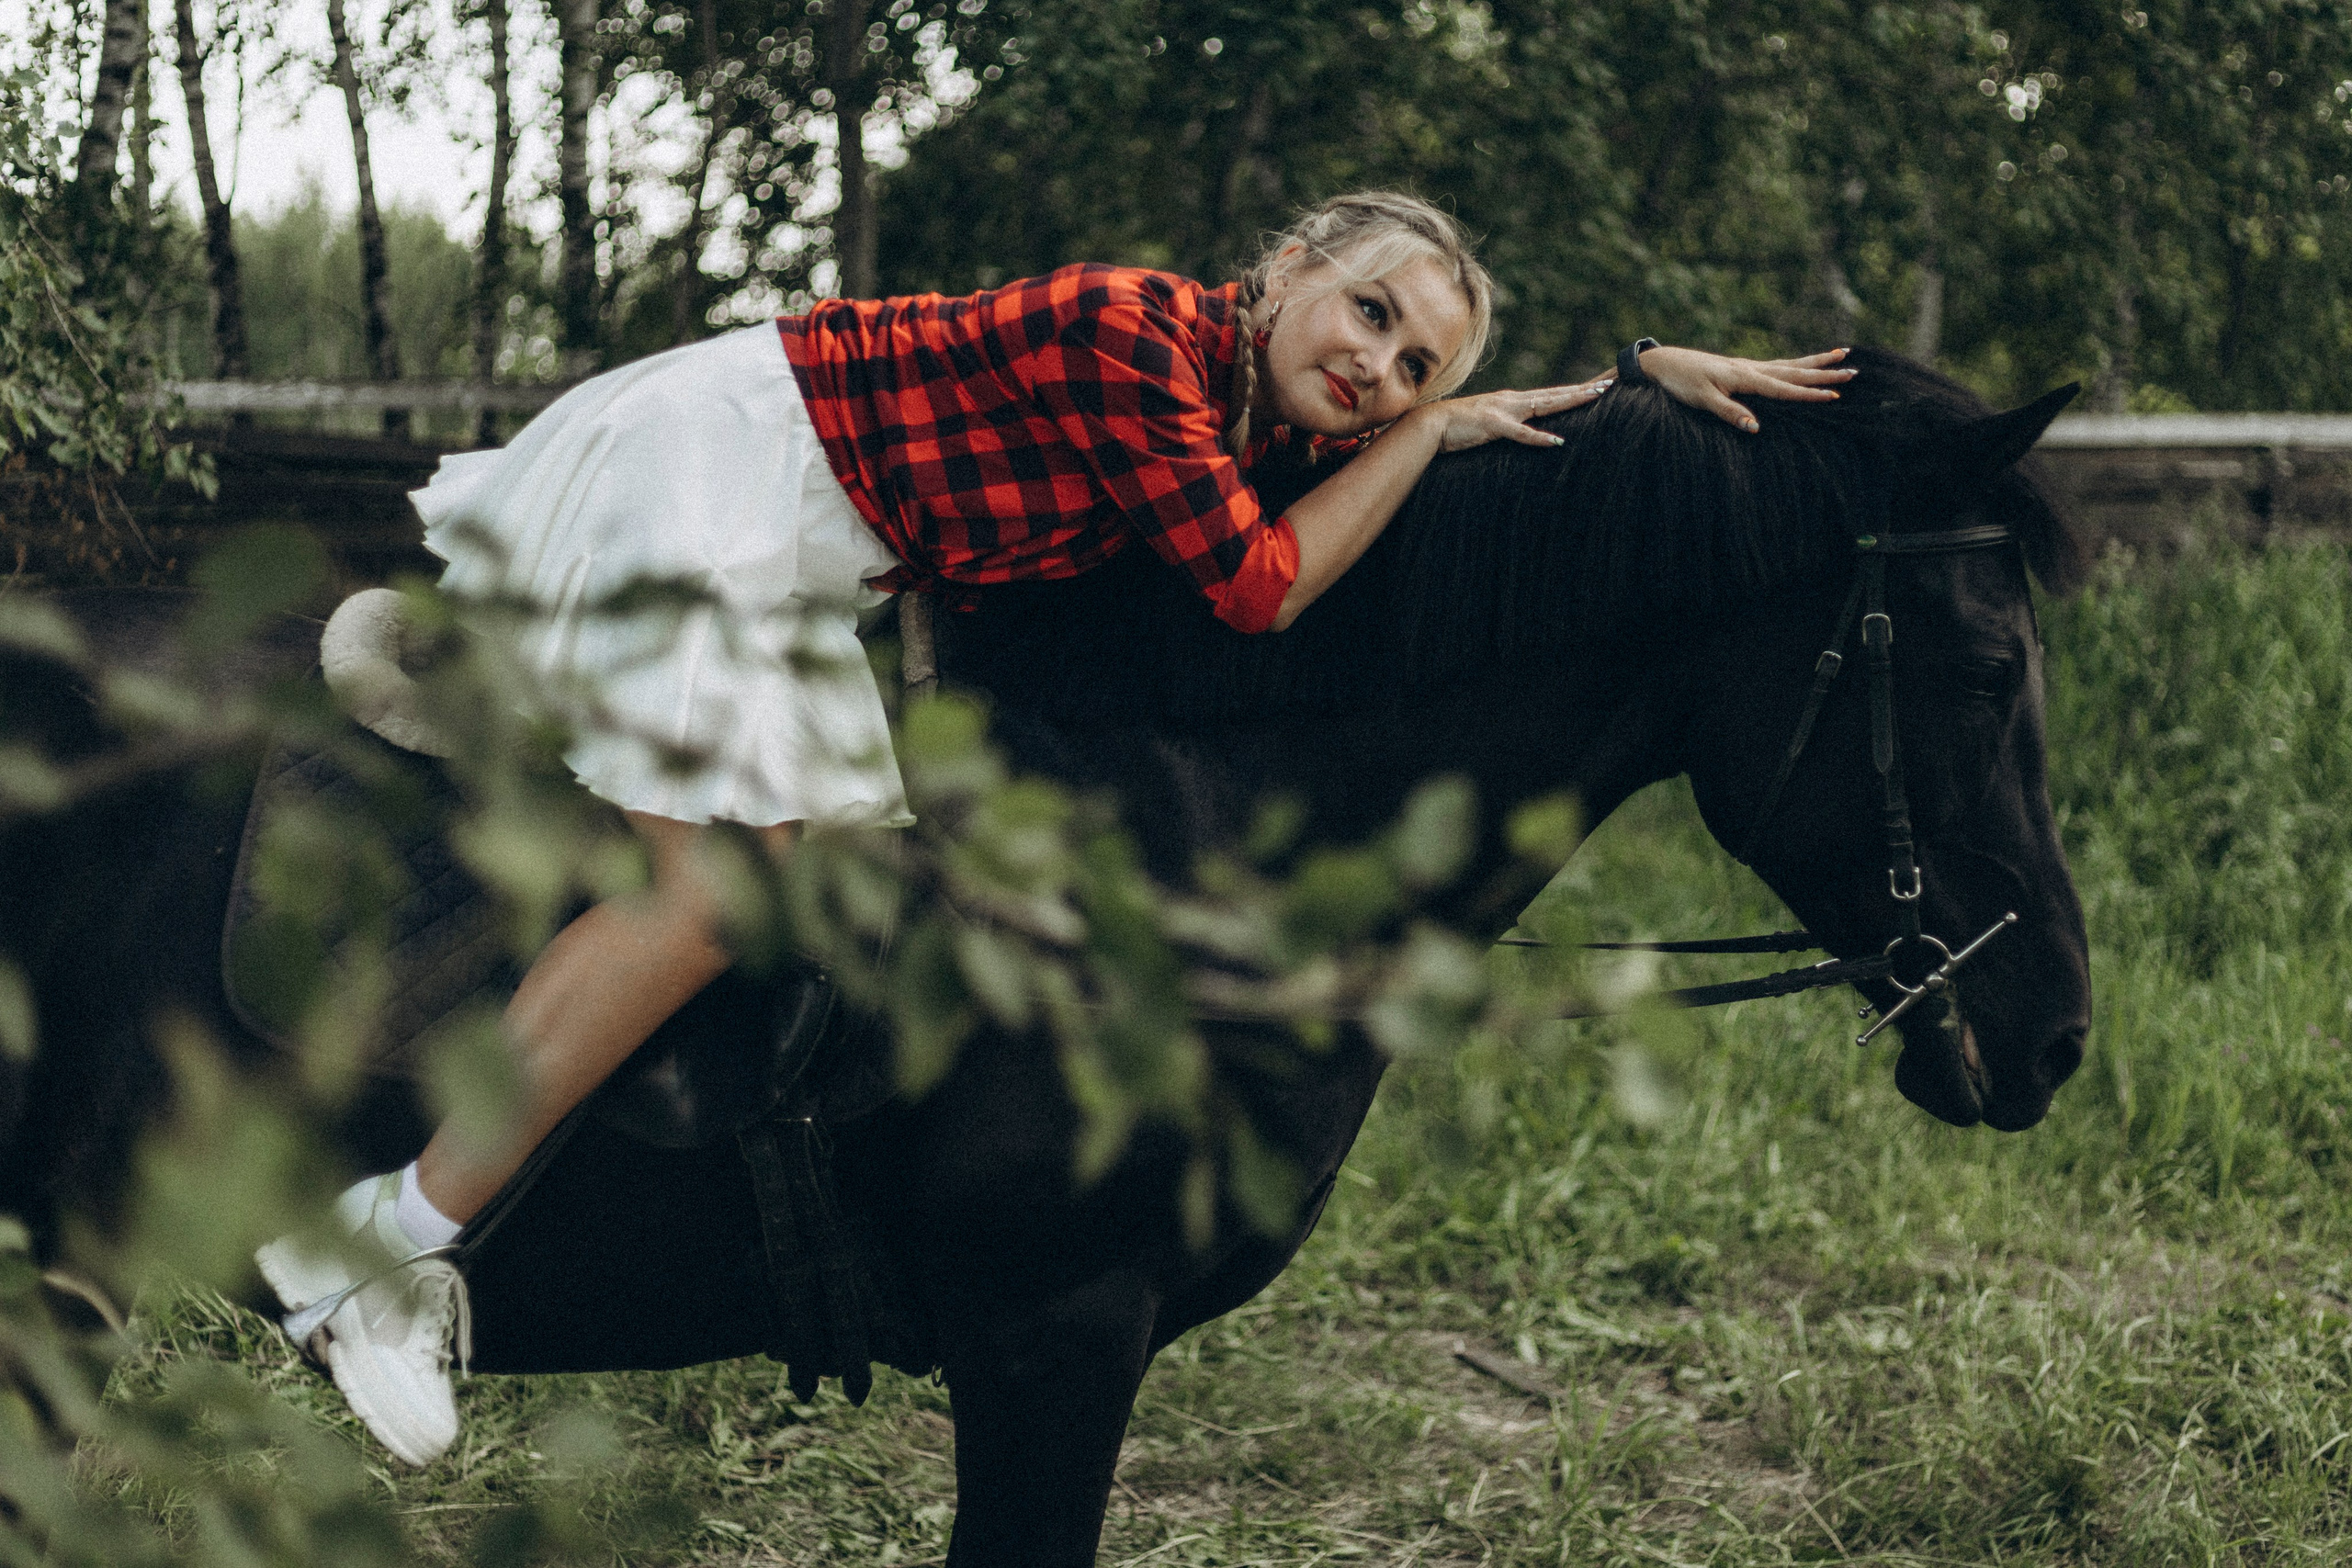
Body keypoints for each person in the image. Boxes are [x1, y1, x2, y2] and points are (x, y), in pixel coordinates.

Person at [254, 190, 1854, 1465]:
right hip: (724, 472)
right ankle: (378, 1249)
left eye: (1418, 366)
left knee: (803, 862)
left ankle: (522, 707)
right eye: (1370, 313)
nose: (1381, 370)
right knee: (721, 892)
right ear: (1291, 267)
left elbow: (1415, 491)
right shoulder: (1132, 335)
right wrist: (1436, 432)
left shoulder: (1256, 406)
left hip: (805, 550)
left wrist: (1643, 387)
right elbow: (1261, 584)